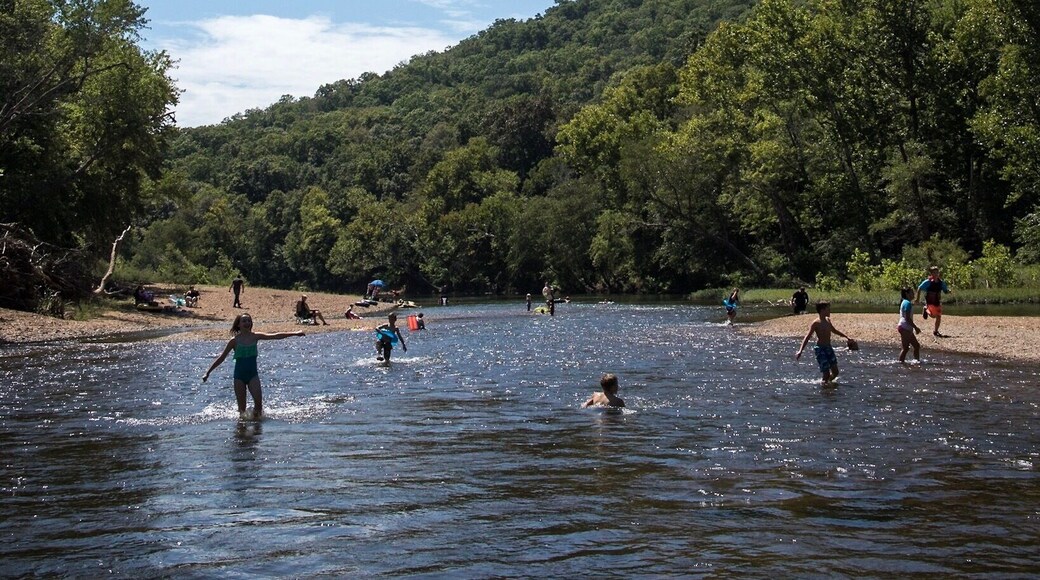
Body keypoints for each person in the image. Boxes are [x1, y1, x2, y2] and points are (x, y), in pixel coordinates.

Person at [202, 313, 305, 419]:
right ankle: (242, 432)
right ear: (238, 325)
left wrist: (295, 333)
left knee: (259, 407)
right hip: (239, 377)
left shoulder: (255, 336)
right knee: (242, 411)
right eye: (244, 321)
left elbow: (276, 336)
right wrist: (208, 373)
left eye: (249, 321)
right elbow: (221, 358)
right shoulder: (234, 341)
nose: (247, 323)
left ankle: (257, 431)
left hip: (253, 376)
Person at [796, 301, 854, 385]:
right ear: (822, 310)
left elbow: (834, 330)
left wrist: (846, 337)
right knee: (826, 373)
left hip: (828, 348)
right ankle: (825, 388)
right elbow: (807, 337)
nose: (830, 311)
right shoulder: (816, 323)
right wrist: (800, 351)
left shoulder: (828, 320)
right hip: (820, 349)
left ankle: (826, 383)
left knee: (836, 372)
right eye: (828, 309)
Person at [915, 266, 951, 337]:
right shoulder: (928, 282)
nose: (936, 274)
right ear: (931, 274)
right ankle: (925, 309)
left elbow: (945, 290)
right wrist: (917, 299)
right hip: (930, 301)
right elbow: (919, 288)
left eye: (937, 272)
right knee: (933, 316)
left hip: (937, 301)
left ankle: (936, 331)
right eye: (934, 273)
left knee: (938, 316)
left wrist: (949, 291)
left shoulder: (941, 283)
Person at [897, 287, 922, 363]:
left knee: (916, 346)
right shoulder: (907, 303)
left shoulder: (905, 302)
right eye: (911, 292)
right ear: (907, 294)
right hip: (905, 327)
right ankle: (901, 363)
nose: (913, 294)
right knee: (905, 348)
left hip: (905, 327)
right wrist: (916, 328)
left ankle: (916, 361)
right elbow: (907, 318)